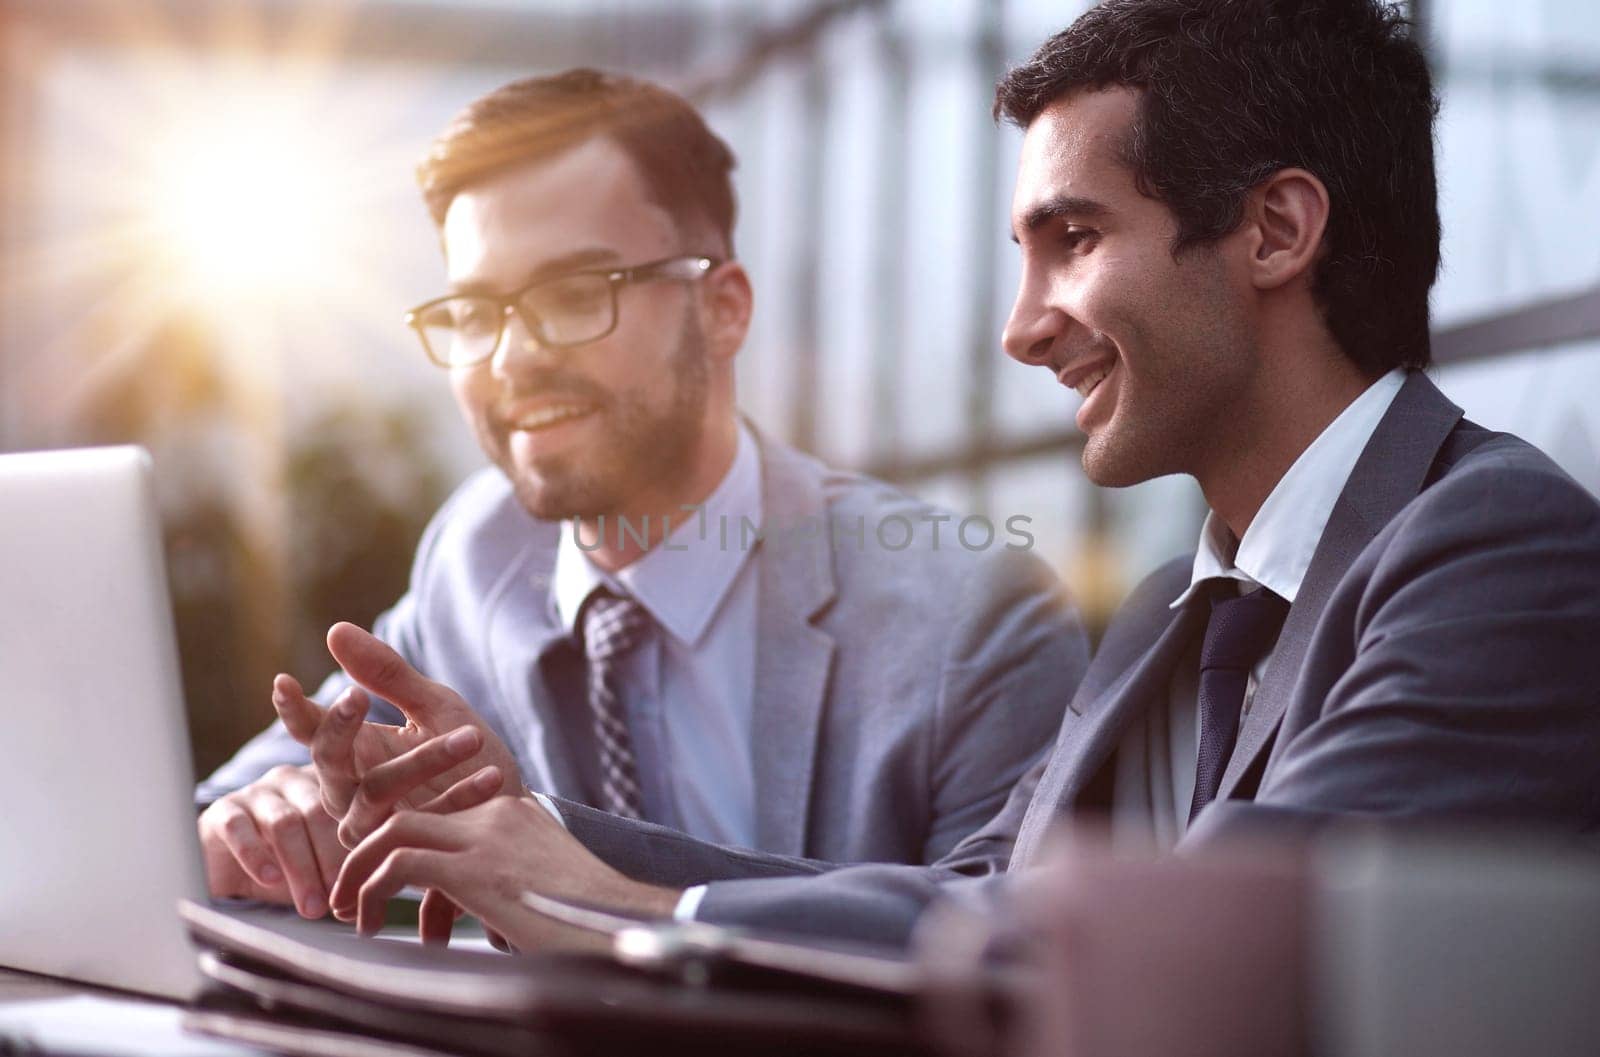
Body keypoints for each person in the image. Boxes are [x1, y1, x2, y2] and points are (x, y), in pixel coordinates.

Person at [291, 0, 1600, 950]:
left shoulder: (1500, 551)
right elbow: (978, 903)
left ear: (1275, 230)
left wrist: (639, 915)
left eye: (1074, 240)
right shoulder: (1166, 617)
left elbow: (1215, 950)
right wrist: (533, 835)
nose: (1022, 328)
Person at [195, 70, 1089, 925]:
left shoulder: (972, 612)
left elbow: (1001, 943)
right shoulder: (474, 553)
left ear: (724, 310)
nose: (511, 361)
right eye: (475, 313)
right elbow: (266, 783)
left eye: (577, 293)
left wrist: (567, 859)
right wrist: (278, 803)